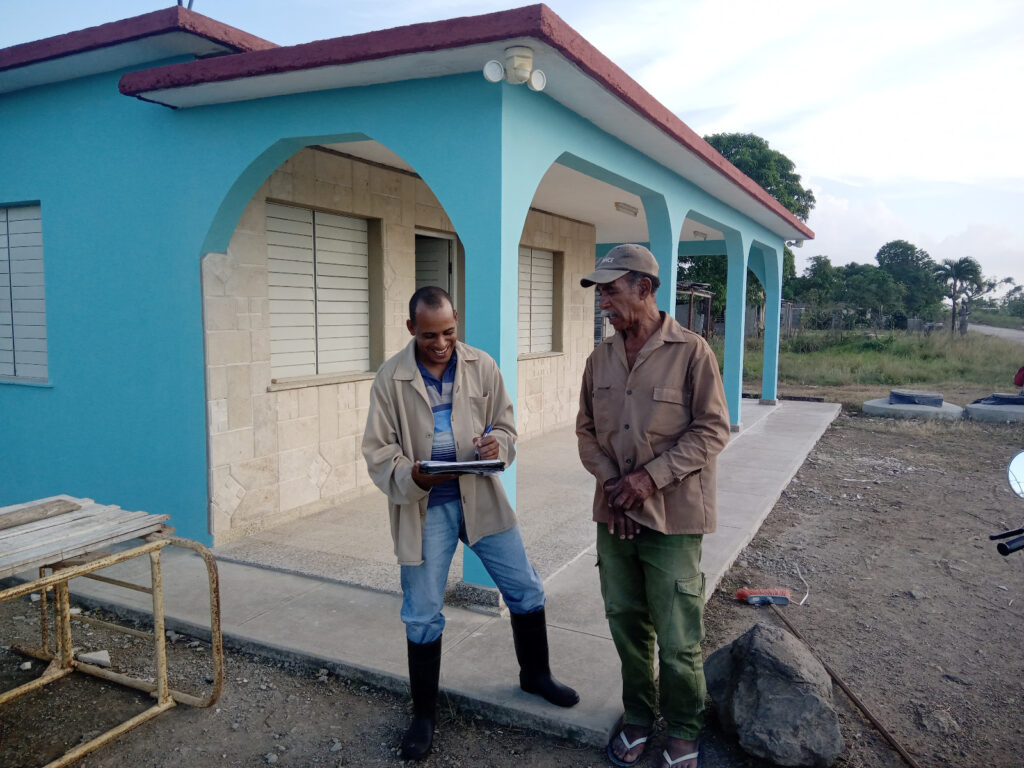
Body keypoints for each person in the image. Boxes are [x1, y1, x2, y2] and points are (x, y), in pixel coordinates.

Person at [362, 286, 578, 761]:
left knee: (525, 587)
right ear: (410, 329)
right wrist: (410, 473)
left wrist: (497, 445)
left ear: (456, 321)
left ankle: (535, 675)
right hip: (425, 506)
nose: (440, 344)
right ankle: (424, 714)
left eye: (448, 332)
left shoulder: (482, 366)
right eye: (428, 336)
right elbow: (378, 452)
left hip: (479, 496)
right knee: (421, 611)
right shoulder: (391, 378)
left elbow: (505, 425)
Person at [576, 244, 730, 768]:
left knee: (678, 630)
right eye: (600, 291)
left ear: (645, 288)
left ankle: (684, 726)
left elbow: (713, 430)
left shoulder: (692, 351)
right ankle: (638, 716)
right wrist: (614, 485)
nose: (603, 301)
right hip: (615, 514)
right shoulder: (600, 357)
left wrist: (646, 480)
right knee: (625, 620)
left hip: (673, 516)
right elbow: (586, 432)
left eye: (611, 289)